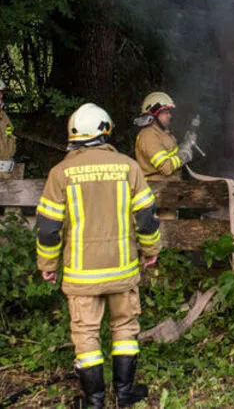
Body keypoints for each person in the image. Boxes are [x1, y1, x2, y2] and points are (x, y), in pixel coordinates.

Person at [36, 103, 162, 408]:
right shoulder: (128, 167)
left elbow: (48, 228)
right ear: (106, 131)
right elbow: (146, 217)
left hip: (82, 275)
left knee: (85, 334)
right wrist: (150, 250)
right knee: (125, 328)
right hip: (122, 270)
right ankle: (124, 395)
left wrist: (48, 264)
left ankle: (93, 401)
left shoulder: (60, 172)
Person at [134, 92, 198, 182]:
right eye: (165, 113)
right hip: (156, 189)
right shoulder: (148, 136)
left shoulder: (162, 133)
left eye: (169, 112)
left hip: (169, 187)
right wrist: (184, 154)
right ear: (153, 115)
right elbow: (166, 168)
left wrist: (186, 144)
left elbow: (172, 155)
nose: (169, 116)